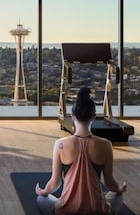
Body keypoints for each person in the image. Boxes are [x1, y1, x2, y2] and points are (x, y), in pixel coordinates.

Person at [35, 87, 127, 215]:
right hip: (98, 211)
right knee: (118, 196)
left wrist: (43, 192)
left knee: (41, 198)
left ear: (73, 117)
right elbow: (109, 182)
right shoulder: (106, 145)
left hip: (66, 211)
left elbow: (55, 183)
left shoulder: (60, 144)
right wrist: (119, 189)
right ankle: (103, 199)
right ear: (94, 117)